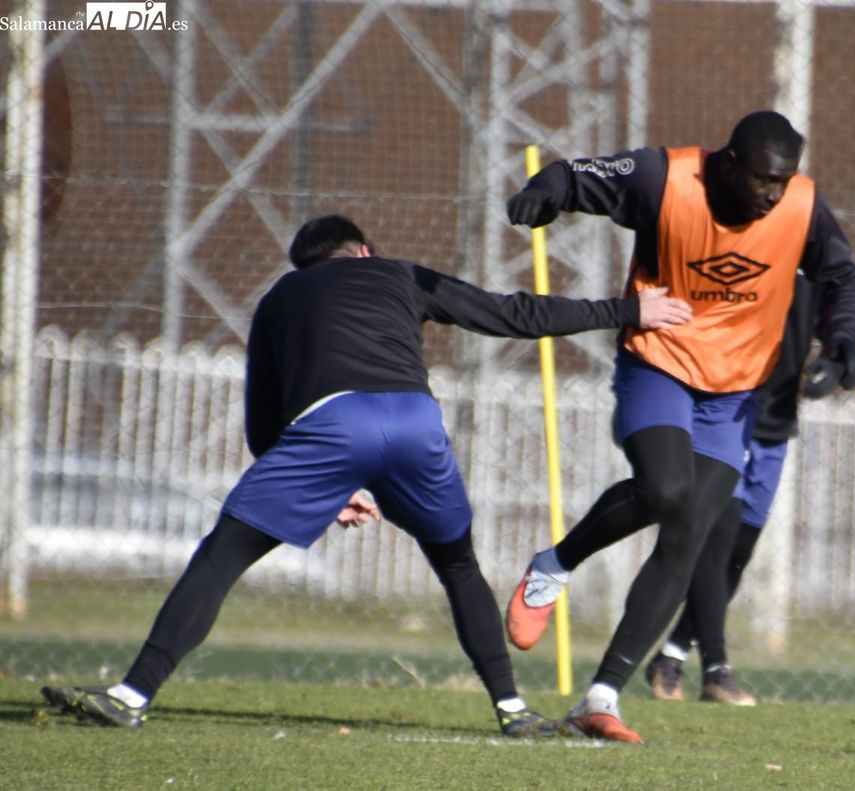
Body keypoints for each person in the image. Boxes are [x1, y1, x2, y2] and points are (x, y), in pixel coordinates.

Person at [39, 214, 692, 736]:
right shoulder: (399, 275)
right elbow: (511, 314)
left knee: (222, 554)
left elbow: (264, 425)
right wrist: (626, 311)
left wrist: (326, 491)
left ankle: (131, 694)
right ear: (363, 251)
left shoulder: (279, 299)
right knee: (459, 565)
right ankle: (513, 710)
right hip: (415, 419)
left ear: (308, 268)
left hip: (331, 425)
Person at [502, 111, 855, 742]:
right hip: (659, 366)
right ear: (729, 164)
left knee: (690, 531)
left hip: (732, 395)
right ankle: (554, 565)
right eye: (763, 180)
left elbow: (843, 277)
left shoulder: (803, 206)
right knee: (667, 489)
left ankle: (602, 696)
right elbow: (576, 173)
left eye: (785, 179)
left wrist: (843, 347)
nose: (775, 193)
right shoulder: (664, 178)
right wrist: (545, 194)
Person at [644, 273, 855, 706]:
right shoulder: (737, 236)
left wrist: (839, 355)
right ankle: (715, 670)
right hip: (725, 408)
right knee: (716, 540)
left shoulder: (813, 238)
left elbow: (842, 295)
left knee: (738, 552)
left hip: (776, 419)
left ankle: (670, 656)